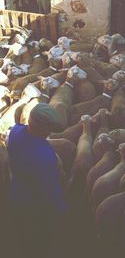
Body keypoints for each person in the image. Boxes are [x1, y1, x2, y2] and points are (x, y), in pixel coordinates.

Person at [7, 103, 67, 258]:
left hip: (16, 192)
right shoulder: (44, 155)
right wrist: (61, 209)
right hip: (35, 204)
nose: (50, 131)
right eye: (49, 127)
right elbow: (50, 190)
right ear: (42, 128)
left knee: (21, 230)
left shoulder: (16, 131)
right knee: (38, 239)